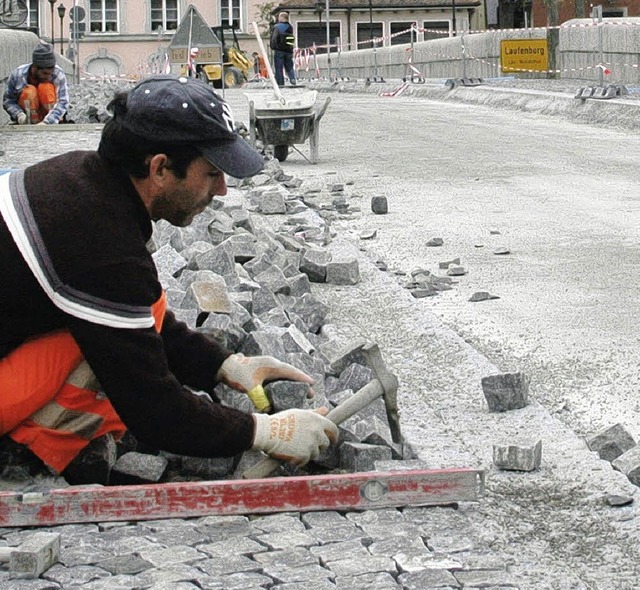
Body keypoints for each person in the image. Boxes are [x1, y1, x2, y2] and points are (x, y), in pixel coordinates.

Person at [0, 74, 338, 483]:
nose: (223, 190)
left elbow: (145, 313)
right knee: (100, 352)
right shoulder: (100, 245)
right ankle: (32, 449)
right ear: (159, 168)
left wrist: (223, 363)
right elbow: (153, 409)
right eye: (212, 173)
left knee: (127, 312)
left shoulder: (83, 181)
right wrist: (263, 432)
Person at [3, 42, 69, 125]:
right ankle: (31, 121)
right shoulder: (17, 75)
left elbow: (63, 101)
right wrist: (19, 115)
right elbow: (8, 101)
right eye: (45, 73)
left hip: (52, 122)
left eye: (50, 73)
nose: (48, 77)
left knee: (46, 88)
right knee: (29, 92)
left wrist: (47, 122)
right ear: (35, 68)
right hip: (28, 122)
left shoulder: (58, 73)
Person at [270, 12, 296, 87]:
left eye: (279, 17)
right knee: (289, 66)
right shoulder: (290, 27)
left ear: (282, 18)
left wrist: (273, 47)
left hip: (279, 50)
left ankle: (280, 83)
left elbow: (274, 38)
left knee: (279, 67)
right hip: (289, 51)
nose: (278, 18)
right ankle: (292, 78)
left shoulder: (277, 27)